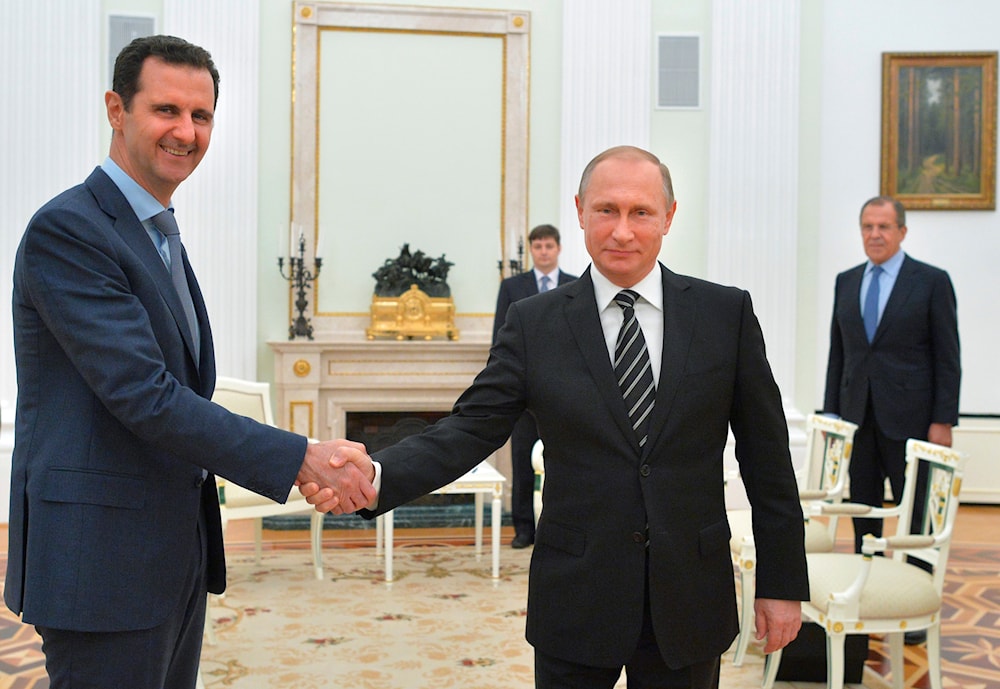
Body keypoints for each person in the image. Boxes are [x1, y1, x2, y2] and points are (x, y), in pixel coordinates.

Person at [304, 145, 807, 689]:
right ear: (580, 211)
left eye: (640, 212)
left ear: (668, 216)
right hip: (576, 596)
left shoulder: (724, 315)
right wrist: (377, 477)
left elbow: (768, 458)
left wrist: (781, 582)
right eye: (606, 210)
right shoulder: (534, 322)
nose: (622, 230)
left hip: (689, 595)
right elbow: (469, 428)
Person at [6, 35, 374, 689]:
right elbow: (145, 394)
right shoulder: (70, 230)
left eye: (200, 116)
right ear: (117, 109)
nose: (186, 131)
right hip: (101, 562)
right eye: (166, 110)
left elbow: (176, 389)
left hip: (168, 553)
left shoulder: (156, 232)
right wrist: (300, 457)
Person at [822, 195, 960, 643]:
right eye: (867, 226)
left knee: (916, 513)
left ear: (902, 231)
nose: (874, 234)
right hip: (858, 420)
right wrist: (834, 420)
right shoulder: (846, 282)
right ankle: (869, 592)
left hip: (914, 423)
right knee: (864, 509)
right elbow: (838, 356)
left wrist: (943, 420)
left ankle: (914, 604)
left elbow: (947, 357)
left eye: (884, 226)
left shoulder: (931, 282)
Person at [492, 224, 577, 548]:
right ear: (532, 250)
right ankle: (524, 529)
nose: (543, 251)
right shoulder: (512, 286)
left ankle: (561, 529)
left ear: (558, 248)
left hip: (568, 392)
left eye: (548, 246)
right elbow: (501, 337)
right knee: (522, 463)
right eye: (538, 246)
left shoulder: (576, 285)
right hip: (525, 393)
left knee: (565, 464)